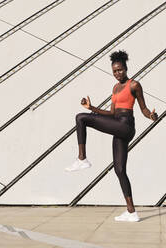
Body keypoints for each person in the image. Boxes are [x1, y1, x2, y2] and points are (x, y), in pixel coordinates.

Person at [66, 50, 158, 222]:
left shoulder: (134, 85)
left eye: (120, 70)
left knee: (80, 119)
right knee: (120, 170)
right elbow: (111, 113)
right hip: (117, 125)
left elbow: (143, 109)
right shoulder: (115, 88)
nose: (117, 73)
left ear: (126, 68)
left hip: (126, 125)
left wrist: (152, 116)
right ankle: (131, 212)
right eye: (114, 71)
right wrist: (92, 108)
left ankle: (82, 158)